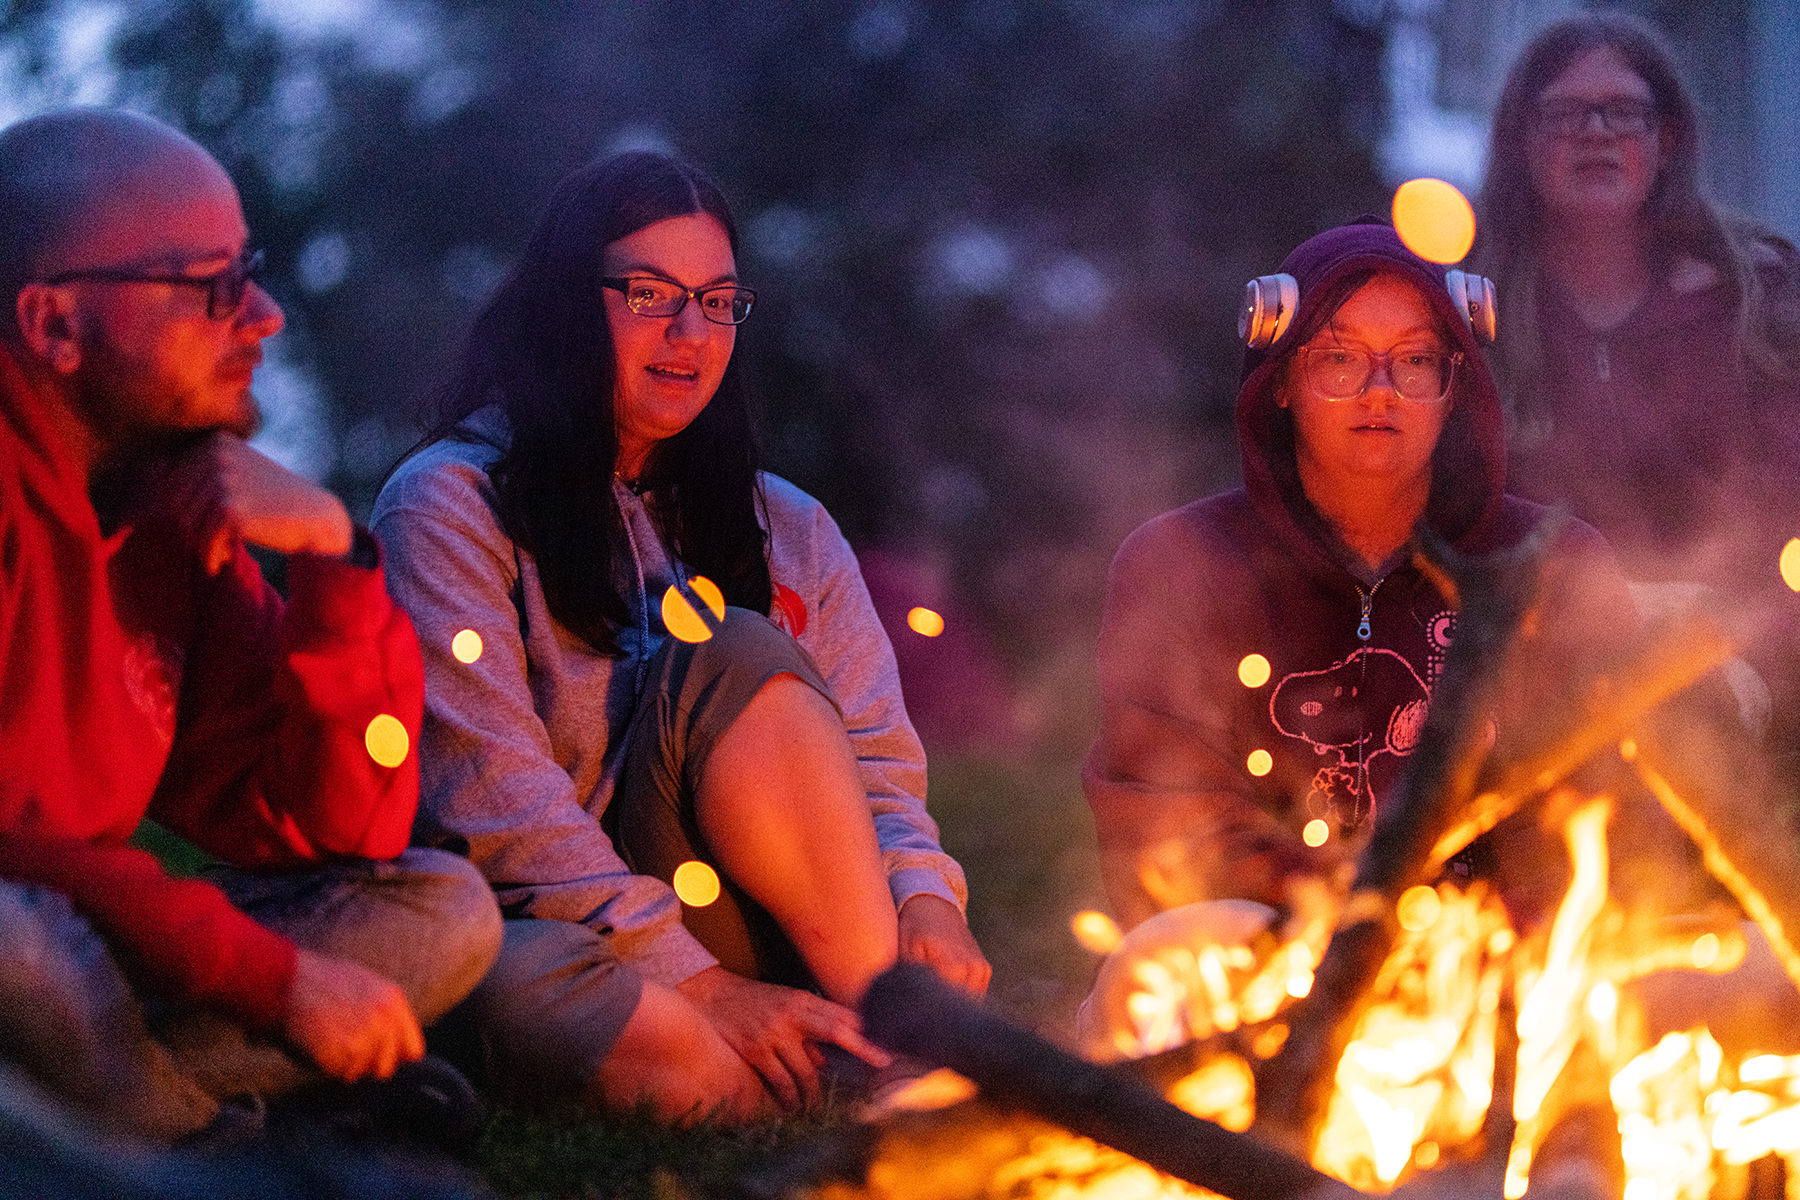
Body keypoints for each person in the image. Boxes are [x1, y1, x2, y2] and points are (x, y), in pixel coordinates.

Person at [372, 150, 989, 1122]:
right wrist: (700, 988)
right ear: (570, 302)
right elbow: (489, 793)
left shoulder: (788, 527)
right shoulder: (450, 506)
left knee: (734, 651)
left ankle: (885, 1033)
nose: (688, 333)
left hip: (785, 928)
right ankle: (845, 1084)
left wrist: (925, 900)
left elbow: (875, 761)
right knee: (519, 988)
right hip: (582, 939)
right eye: (650, 293)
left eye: (717, 300)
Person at [0, 109, 501, 1144]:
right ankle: (210, 1142)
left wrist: (336, 565)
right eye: (211, 286)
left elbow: (335, 830)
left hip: (78, 967)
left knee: (440, 907)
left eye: (254, 271)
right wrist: (265, 980)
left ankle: (130, 1125)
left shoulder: (165, 513)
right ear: (54, 326)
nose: (263, 315)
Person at [1082, 220, 1664, 935]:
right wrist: (1327, 909)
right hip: (1258, 963)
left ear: (1455, 388)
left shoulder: (1554, 564)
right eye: (1339, 358)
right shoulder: (1180, 564)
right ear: (1284, 381)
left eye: (1415, 360)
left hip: (1500, 966)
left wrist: (1462, 940)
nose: (1379, 392)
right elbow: (1163, 813)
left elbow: (1612, 800)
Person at [1474, 12, 1800, 751]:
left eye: (1623, 111)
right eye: (1562, 115)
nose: (1595, 132)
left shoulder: (1764, 304)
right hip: (1537, 700)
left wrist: (1741, 643)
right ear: (1520, 144)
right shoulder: (1471, 319)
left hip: (1754, 696)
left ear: (1668, 139)